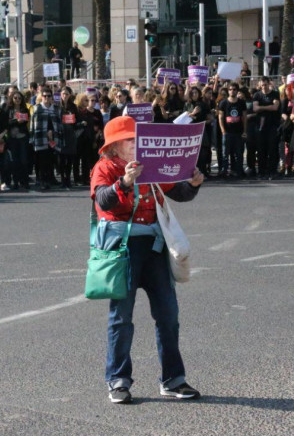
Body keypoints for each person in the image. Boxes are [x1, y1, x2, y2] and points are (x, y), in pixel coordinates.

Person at [90, 116, 204, 404]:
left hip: (154, 247)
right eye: (130, 140)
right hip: (121, 249)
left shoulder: (150, 164)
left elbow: (178, 193)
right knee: (121, 318)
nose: (136, 143)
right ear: (114, 147)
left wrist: (192, 184)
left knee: (168, 314)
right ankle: (117, 380)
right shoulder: (105, 167)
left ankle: (173, 379)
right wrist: (125, 181)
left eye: (137, 138)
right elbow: (102, 200)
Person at [252, 77, 281, 179]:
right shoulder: (257, 95)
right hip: (260, 126)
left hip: (272, 125)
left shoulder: (275, 94)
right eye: (262, 85)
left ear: (269, 84)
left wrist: (262, 108)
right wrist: (268, 107)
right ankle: (261, 171)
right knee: (261, 150)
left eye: (265, 85)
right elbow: (255, 108)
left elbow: (275, 107)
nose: (264, 87)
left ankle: (272, 171)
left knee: (272, 149)